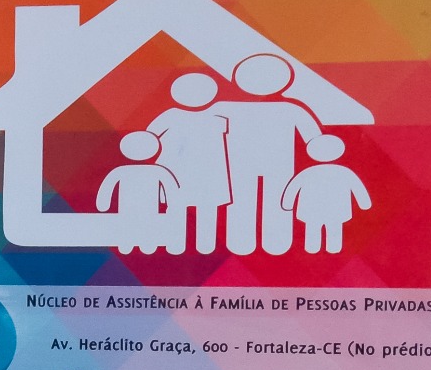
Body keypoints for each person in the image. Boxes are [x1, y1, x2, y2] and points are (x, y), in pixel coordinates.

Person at [212, 53, 325, 256]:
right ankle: (253, 242)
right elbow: (315, 140)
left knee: (270, 200)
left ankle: (267, 242)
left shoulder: (290, 109)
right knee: (247, 200)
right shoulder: (226, 108)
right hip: (249, 164)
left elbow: (315, 140)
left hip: (271, 164)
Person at [144, 72, 232, 255]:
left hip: (209, 172)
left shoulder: (218, 115)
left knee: (206, 208)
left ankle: (204, 246)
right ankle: (176, 243)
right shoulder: (170, 115)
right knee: (178, 206)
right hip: (178, 171)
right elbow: (149, 138)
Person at [281, 133, 372, 253]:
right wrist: (364, 204)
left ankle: (313, 248)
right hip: (335, 210)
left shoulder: (308, 173)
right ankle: (332, 248)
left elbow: (293, 188)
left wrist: (287, 204)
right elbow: (358, 188)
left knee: (314, 229)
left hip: (312, 210)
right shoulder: (344, 172)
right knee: (332, 229)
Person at [96, 130, 182, 255]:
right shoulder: (156, 171)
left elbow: (107, 187)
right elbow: (170, 188)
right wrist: (173, 201)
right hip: (140, 211)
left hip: (142, 211)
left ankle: (133, 244)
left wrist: (103, 204)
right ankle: (138, 244)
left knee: (138, 226)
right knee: (135, 226)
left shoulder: (122, 171)